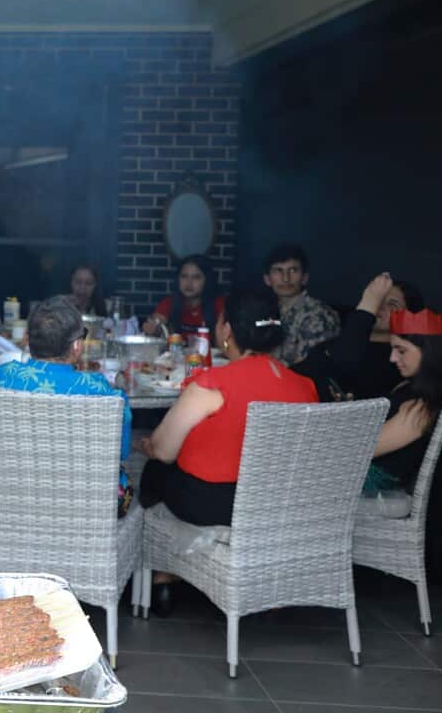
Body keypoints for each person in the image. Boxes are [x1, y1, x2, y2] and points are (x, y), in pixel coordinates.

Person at [137, 289, 318, 615]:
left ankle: (164, 575)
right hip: (278, 505)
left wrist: (151, 446)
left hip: (214, 503)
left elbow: (163, 451)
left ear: (227, 330)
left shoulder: (212, 382)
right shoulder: (305, 386)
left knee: (154, 471)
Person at [0, 295, 135, 516]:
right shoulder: (99, 389)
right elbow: (120, 452)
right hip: (84, 504)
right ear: (77, 345)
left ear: (26, 339)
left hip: (14, 500)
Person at [363, 308, 442, 495]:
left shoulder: (423, 406)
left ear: (429, 352)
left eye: (401, 350)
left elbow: (364, 449)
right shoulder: (408, 386)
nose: (392, 358)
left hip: (380, 488)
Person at [295, 273, 426, 401]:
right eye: (379, 299)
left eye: (392, 304)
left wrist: (369, 304)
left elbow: (343, 362)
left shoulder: (395, 361)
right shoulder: (344, 338)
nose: (379, 306)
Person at [262, 244, 340, 367]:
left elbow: (313, 368)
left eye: (293, 270)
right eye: (278, 270)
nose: (286, 278)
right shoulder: (268, 312)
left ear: (304, 278)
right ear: (267, 279)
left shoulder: (318, 315)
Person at [142, 255, 223, 337]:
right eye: (184, 276)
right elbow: (157, 323)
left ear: (207, 281)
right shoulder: (170, 302)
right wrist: (153, 328)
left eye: (196, 277)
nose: (189, 283)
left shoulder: (218, 304)